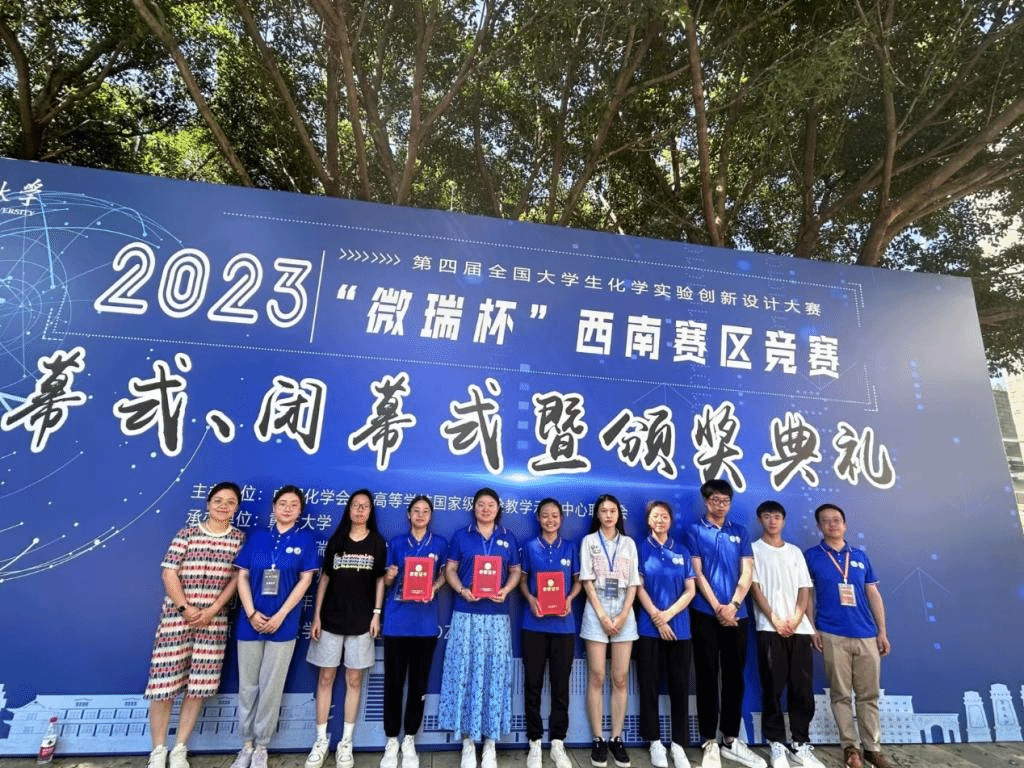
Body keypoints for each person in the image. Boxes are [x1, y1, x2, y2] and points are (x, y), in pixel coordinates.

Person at [144, 481, 246, 768]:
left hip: (213, 621)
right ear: (208, 503)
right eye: (218, 500)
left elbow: (236, 579)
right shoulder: (187, 534)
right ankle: (158, 750)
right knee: (163, 685)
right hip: (177, 619)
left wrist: (213, 609)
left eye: (230, 502)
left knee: (197, 686)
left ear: (236, 508)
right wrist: (184, 607)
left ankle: (179, 748)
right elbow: (169, 572)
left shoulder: (238, 539)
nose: (224, 506)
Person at [232, 485, 319, 768]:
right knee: (248, 686)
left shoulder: (306, 540)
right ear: (273, 507)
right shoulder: (257, 538)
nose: (287, 508)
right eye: (282, 503)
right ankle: (245, 744)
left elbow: (305, 581)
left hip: (284, 624)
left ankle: (261, 746)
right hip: (250, 623)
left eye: (294, 504)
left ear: (300, 511)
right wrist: (250, 612)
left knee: (271, 686)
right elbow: (242, 576)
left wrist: (281, 615)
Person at [804, 504, 892, 768]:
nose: (832, 524)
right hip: (831, 633)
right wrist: (812, 628)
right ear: (819, 526)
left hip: (866, 634)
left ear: (845, 524)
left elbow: (873, 594)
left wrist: (882, 631)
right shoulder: (812, 556)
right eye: (826, 521)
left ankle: (873, 749)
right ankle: (850, 748)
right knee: (841, 694)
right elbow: (807, 595)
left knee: (869, 695)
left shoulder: (860, 556)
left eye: (837, 520)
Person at [439, 487, 521, 768]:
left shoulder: (508, 537)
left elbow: (515, 571)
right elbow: (450, 570)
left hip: (497, 616)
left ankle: (490, 743)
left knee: (494, 676)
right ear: (474, 508)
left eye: (491, 505)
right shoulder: (462, 536)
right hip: (466, 614)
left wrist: (506, 590)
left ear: (498, 509)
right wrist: (462, 590)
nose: (486, 509)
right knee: (465, 672)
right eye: (481, 505)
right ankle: (467, 742)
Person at [685, 479, 765, 768]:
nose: (720, 505)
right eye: (715, 500)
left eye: (725, 501)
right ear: (706, 502)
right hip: (704, 613)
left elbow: (747, 572)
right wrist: (717, 606)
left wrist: (732, 605)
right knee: (706, 675)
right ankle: (709, 740)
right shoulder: (694, 530)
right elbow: (697, 573)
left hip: (737, 615)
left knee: (734, 677)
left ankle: (730, 738)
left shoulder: (739, 531)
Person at [305, 490, 388, 768]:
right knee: (326, 678)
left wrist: (376, 615)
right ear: (349, 509)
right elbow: (325, 579)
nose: (360, 510)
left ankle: (346, 742)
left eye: (365, 506)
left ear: (370, 511)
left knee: (354, 680)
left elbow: (380, 581)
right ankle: (320, 740)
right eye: (355, 506)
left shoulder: (377, 542)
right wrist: (317, 616)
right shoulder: (337, 540)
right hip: (330, 620)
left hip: (362, 622)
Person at [749, 501, 824, 768]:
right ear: (760, 520)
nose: (772, 521)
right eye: (767, 516)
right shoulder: (753, 550)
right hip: (770, 628)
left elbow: (805, 589)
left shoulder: (794, 552)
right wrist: (776, 619)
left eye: (777, 517)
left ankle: (800, 744)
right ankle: (776, 744)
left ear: (783, 520)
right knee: (772, 687)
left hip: (798, 629)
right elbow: (755, 588)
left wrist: (796, 618)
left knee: (802, 688)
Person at [379, 495, 449, 768]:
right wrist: (390, 576)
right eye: (416, 511)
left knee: (419, 683)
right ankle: (391, 740)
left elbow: (445, 574)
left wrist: (434, 587)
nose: (420, 515)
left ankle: (409, 738)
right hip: (396, 623)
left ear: (431, 516)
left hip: (425, 625)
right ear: (408, 515)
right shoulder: (397, 543)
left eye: (425, 511)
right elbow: (385, 580)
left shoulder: (439, 544)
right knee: (393, 683)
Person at [518, 498, 581, 768]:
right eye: (545, 515)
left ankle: (557, 742)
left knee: (560, 685)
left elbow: (578, 582)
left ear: (561, 519)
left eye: (555, 515)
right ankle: (534, 741)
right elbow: (522, 580)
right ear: (538, 518)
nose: (550, 520)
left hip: (563, 627)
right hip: (534, 625)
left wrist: (569, 599)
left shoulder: (570, 547)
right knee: (532, 684)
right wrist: (531, 598)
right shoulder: (529, 546)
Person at [579, 493, 640, 768]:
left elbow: (633, 582)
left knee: (620, 678)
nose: (608, 515)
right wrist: (603, 616)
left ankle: (616, 738)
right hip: (596, 615)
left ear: (618, 514)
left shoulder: (628, 544)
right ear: (597, 514)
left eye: (612, 510)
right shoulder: (589, 542)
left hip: (624, 614)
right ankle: (598, 739)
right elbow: (587, 581)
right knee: (596, 676)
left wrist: (624, 614)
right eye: (603, 511)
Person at [635, 500, 696, 768]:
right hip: (649, 628)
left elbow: (690, 590)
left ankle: (679, 744)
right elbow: (638, 587)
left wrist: (668, 615)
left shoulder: (682, 550)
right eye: (655, 516)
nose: (660, 521)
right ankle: (654, 742)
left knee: (679, 687)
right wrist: (657, 619)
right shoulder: (640, 549)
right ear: (648, 520)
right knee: (648, 685)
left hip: (679, 629)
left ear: (671, 521)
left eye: (664, 516)